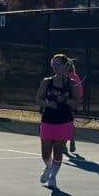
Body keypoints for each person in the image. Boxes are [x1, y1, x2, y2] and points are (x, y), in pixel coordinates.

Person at [35, 53, 83, 188]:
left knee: (58, 152)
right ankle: (48, 167)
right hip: (48, 120)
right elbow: (38, 99)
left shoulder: (72, 84)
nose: (54, 66)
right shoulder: (47, 82)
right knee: (45, 154)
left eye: (57, 64)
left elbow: (76, 103)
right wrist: (49, 104)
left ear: (65, 66)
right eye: (53, 64)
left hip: (64, 122)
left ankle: (53, 178)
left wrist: (66, 100)